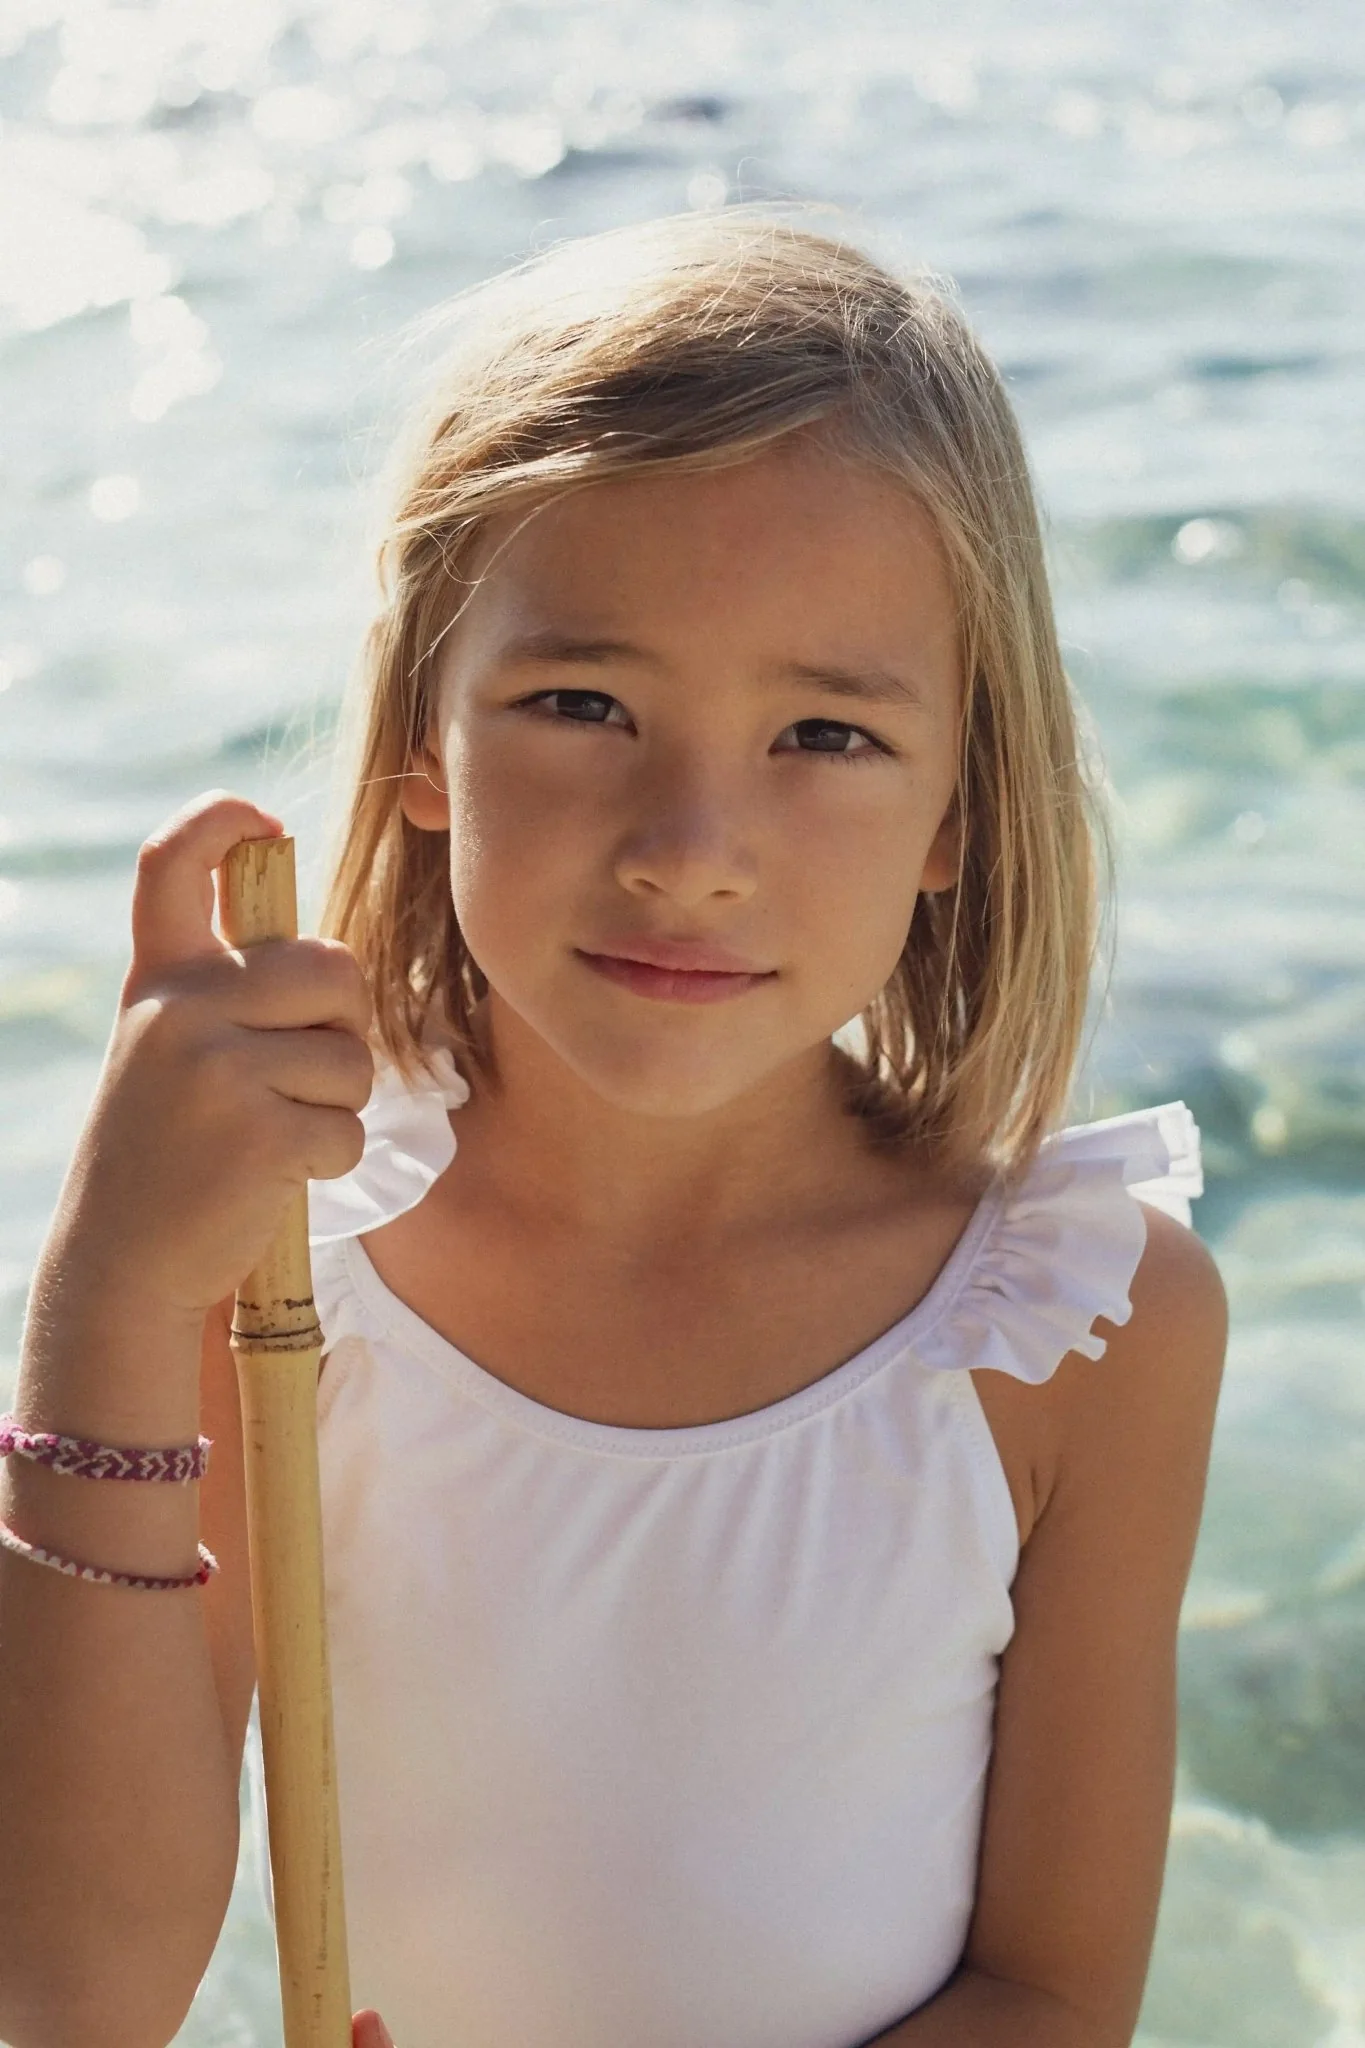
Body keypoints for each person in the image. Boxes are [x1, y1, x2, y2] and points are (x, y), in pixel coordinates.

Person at [0, 211, 1227, 2048]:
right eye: (583, 704)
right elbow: (73, 1995)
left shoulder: (1075, 1321)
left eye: (823, 734)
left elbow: (1054, 1993)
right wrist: (100, 1294)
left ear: (963, 804)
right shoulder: (272, 1274)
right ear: (425, 733)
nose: (688, 849)